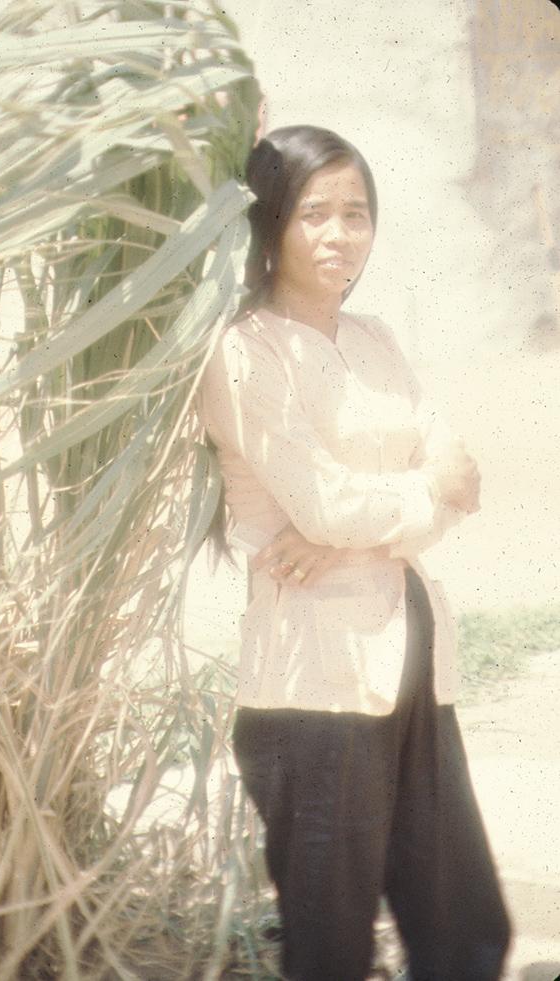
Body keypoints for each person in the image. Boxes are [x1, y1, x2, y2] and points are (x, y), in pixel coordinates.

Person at [197, 125, 511, 981]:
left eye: (357, 213)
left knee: (463, 919)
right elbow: (331, 501)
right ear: (270, 223)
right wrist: (409, 495)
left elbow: (460, 477)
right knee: (331, 937)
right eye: (315, 213)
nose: (341, 234)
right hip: (313, 673)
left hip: (411, 645)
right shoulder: (245, 351)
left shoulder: (375, 339)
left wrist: (356, 524)